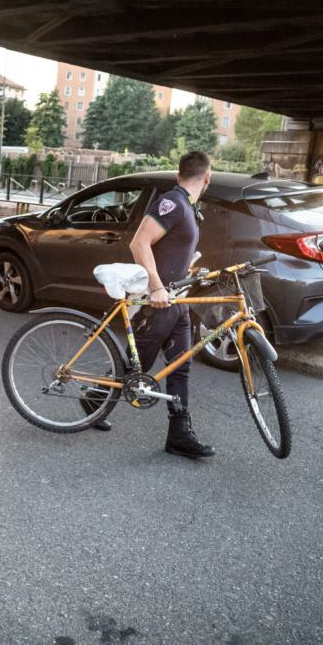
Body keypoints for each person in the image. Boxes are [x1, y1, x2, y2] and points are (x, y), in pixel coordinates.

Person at [115, 151, 215, 458]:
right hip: (158, 302)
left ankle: (179, 436)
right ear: (207, 178)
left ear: (178, 174)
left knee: (180, 366)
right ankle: (94, 401)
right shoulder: (172, 203)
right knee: (137, 367)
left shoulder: (186, 207)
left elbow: (171, 251)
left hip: (177, 301)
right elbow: (139, 242)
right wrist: (157, 286)